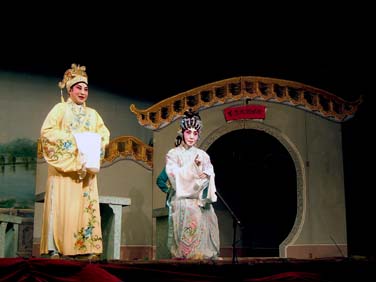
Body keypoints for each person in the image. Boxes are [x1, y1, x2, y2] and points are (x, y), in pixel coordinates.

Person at [39, 63, 110, 259]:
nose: (83, 92)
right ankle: (57, 248)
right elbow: (47, 133)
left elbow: (103, 134)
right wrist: (76, 141)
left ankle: (84, 248)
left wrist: (93, 143)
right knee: (63, 208)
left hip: (85, 170)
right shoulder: (60, 109)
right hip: (64, 170)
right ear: (70, 90)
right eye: (79, 87)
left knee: (84, 209)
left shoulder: (93, 114)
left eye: (86, 88)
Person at [165, 109, 220, 260]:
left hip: (201, 198)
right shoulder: (173, 154)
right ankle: (185, 255)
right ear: (182, 132)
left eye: (195, 133)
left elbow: (210, 173)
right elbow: (173, 176)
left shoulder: (203, 155)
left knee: (209, 216)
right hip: (183, 199)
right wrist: (193, 170)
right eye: (188, 132)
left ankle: (205, 255)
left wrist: (207, 176)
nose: (191, 136)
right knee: (189, 209)